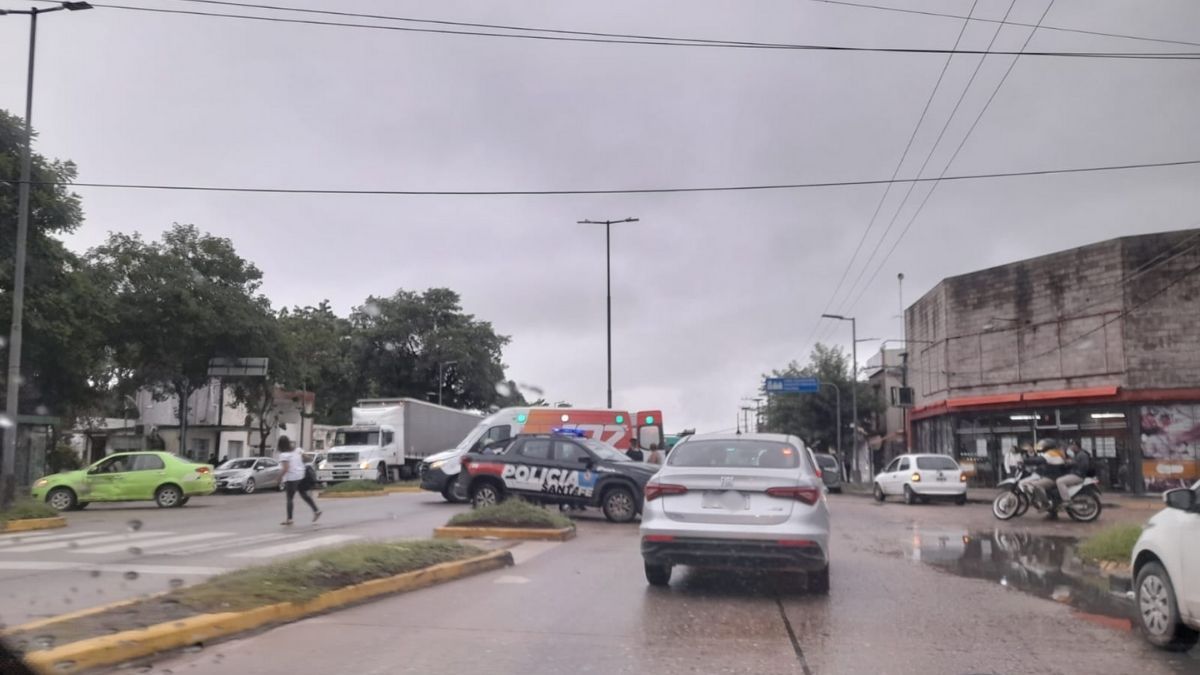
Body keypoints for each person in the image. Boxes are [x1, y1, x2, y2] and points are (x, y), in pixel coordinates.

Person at [278, 436, 320, 525]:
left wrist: (279, 478)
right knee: (303, 494)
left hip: (291, 478)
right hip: (301, 475)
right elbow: (308, 458)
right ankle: (316, 510)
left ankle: (289, 519)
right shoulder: (297, 450)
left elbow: (286, 468)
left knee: (289, 498)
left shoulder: (283, 455)